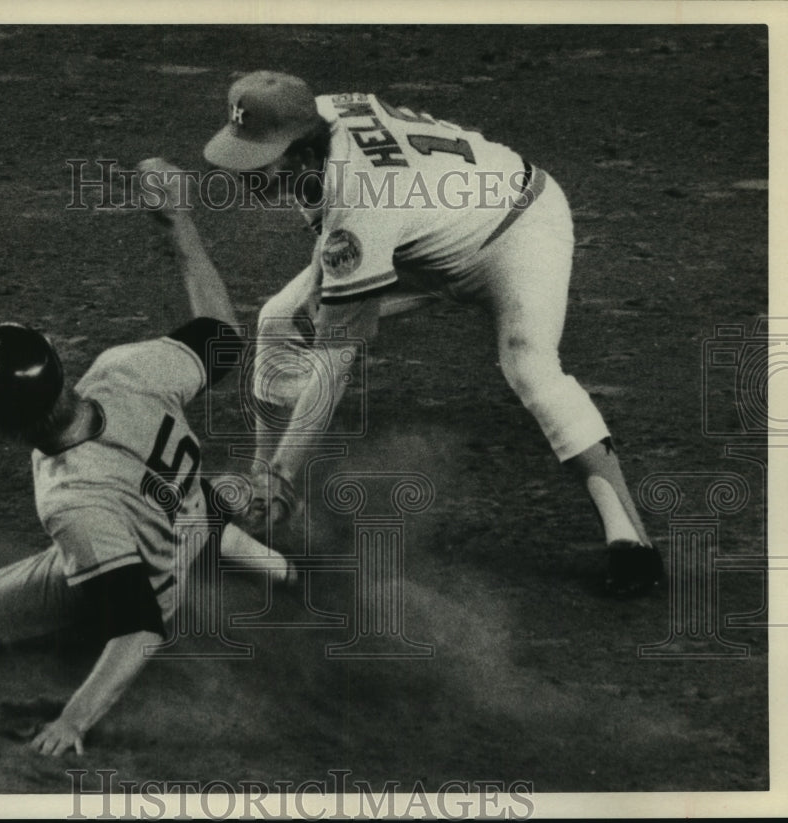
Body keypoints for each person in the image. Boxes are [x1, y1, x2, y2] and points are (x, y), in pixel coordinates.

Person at [0, 158, 295, 757]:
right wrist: (178, 218)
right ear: (59, 361)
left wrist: (73, 722)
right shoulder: (125, 369)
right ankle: (244, 550)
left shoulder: (73, 501)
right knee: (166, 510)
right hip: (189, 514)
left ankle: (203, 549)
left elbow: (139, 628)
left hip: (151, 576)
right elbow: (221, 337)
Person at [202, 70, 664, 597]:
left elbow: (336, 362)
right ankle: (267, 506)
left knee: (529, 363)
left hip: (518, 229)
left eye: (259, 165)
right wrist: (317, 287)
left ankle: (633, 541)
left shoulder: (361, 200)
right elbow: (339, 219)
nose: (245, 177)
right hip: (427, 235)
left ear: (303, 152)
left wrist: (286, 472)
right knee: (280, 321)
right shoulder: (314, 116)